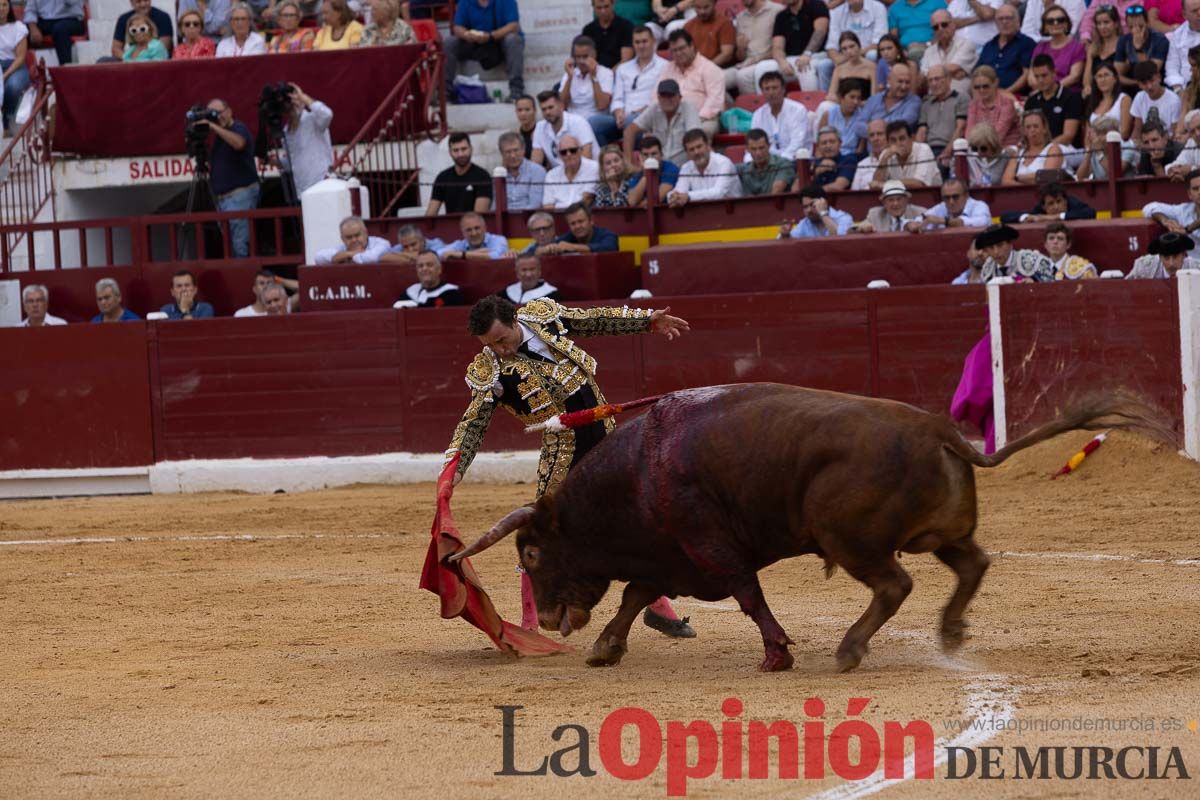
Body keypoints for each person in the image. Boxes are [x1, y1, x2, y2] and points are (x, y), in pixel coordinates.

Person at [442, 294, 693, 635]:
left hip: (606, 438)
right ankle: (530, 623)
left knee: (633, 518)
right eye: (490, 345)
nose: (500, 350)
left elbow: (595, 320)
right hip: (563, 452)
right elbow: (473, 422)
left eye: (501, 340)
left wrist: (647, 320)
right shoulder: (491, 371)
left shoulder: (543, 317)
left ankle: (657, 606)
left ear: (515, 321)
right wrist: (455, 465)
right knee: (543, 531)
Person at [205, 98, 260, 259]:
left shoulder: (238, 127)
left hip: (239, 196)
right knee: (231, 247)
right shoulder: (218, 138)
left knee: (240, 245)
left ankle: (245, 273)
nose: (217, 117)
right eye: (212, 115)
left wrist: (214, 127)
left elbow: (239, 143)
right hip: (224, 200)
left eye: (219, 112)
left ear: (229, 111)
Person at [443, 0, 524, 102]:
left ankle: (516, 90)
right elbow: (457, 27)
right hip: (474, 42)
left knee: (513, 40)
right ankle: (445, 92)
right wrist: (466, 35)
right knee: (449, 42)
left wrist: (491, 36)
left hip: (499, 41)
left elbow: (513, 26)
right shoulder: (465, 2)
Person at [659, 30, 725, 139]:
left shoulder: (710, 69)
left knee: (701, 132)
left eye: (682, 48)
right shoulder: (667, 69)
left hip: (703, 119)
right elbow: (656, 96)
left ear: (692, 46)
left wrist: (693, 121)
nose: (678, 53)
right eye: (674, 50)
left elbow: (714, 102)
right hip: (671, 119)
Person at [621, 78, 699, 165]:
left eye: (671, 96)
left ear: (679, 97)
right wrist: (628, 164)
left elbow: (694, 138)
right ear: (658, 98)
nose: (667, 99)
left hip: (682, 166)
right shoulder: (654, 108)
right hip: (657, 166)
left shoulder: (688, 108)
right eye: (663, 96)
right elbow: (629, 131)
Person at [759, 0, 829, 93]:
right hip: (791, 59)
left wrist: (807, 54)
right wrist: (782, 62)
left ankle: (812, 101)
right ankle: (767, 101)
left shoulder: (816, 5)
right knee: (763, 67)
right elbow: (777, 46)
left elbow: (820, 32)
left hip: (816, 55)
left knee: (804, 68)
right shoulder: (781, 16)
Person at [561, 35, 618, 146]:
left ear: (594, 55)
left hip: (597, 119)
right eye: (578, 57)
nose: (581, 61)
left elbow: (602, 105)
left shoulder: (606, 73)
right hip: (574, 120)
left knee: (590, 124)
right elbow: (562, 105)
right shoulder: (569, 74)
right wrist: (570, 78)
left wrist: (593, 76)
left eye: (585, 57)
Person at [612, 25, 668, 134]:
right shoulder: (623, 68)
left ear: (653, 42)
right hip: (623, 117)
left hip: (649, 116)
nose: (641, 46)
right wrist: (618, 113)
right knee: (596, 123)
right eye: (637, 42)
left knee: (631, 120)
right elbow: (617, 98)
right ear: (633, 44)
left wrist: (634, 114)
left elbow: (659, 99)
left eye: (644, 41)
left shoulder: (665, 66)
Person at [1024, 54, 1084, 157]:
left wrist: (1044, 149)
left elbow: (1068, 136)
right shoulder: (1031, 101)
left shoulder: (1071, 97)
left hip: (1066, 150)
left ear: (1054, 73)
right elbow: (1026, 132)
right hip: (1039, 151)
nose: (1040, 80)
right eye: (1037, 76)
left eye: (1044, 75)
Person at [281, 84, 333, 196]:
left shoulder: (313, 119)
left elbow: (327, 114)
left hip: (322, 185)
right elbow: (293, 164)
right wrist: (274, 162)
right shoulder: (285, 132)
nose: (293, 105)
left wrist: (302, 96)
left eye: (296, 100)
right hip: (303, 192)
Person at [667, 128, 739, 207]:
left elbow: (718, 193)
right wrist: (674, 197)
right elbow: (679, 191)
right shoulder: (686, 168)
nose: (696, 152)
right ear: (687, 153)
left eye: (699, 147)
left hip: (732, 210)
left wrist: (689, 196)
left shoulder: (724, 163)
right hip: (703, 211)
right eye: (691, 149)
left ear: (708, 146)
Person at [427, 132, 493, 215]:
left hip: (473, 223)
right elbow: (430, 215)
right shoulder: (442, 178)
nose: (460, 154)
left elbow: (479, 216)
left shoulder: (483, 176)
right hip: (450, 223)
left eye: (464, 149)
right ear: (450, 152)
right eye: (456, 150)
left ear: (471, 149)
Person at [751, 71, 812, 160]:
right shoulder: (758, 114)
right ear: (762, 92)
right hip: (767, 161)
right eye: (767, 89)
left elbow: (797, 143)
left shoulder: (798, 110)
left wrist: (779, 162)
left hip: (794, 160)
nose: (771, 93)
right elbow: (754, 142)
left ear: (783, 89)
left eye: (775, 88)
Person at [977, 2, 1035, 92]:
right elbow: (978, 72)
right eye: (1000, 19)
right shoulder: (989, 46)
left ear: (1018, 21)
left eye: (1009, 18)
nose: (1004, 22)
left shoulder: (1027, 43)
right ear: (996, 23)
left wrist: (1005, 93)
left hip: (1013, 95)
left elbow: (1026, 74)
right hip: (986, 94)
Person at [919, 8, 978, 97]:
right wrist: (951, 73)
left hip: (957, 98)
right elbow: (922, 79)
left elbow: (953, 67)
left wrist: (931, 76)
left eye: (944, 24)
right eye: (936, 27)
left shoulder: (966, 44)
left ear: (953, 25)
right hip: (934, 99)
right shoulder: (928, 52)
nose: (940, 29)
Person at [532, 90, 598, 168]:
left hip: (589, 171)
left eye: (551, 107)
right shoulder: (540, 127)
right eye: (544, 109)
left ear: (561, 106)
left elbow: (587, 157)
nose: (547, 112)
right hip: (560, 173)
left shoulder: (578, 122)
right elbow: (535, 163)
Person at [916, 64, 968, 161]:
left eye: (937, 79)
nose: (934, 84)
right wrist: (916, 155)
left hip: (951, 150)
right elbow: (922, 131)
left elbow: (960, 128)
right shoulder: (926, 104)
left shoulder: (961, 98)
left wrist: (947, 152)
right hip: (928, 150)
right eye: (930, 80)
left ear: (949, 79)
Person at [973, 223, 1056, 282]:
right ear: (986, 250)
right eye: (991, 248)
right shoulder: (987, 269)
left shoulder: (1032, 261)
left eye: (1000, 245)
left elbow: (1050, 287)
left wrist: (1034, 282)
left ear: (1010, 244)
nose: (996, 252)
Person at [1001, 109, 1064, 185]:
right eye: (1028, 127)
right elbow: (1006, 181)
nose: (1032, 130)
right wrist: (1024, 188)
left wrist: (1017, 178)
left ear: (1044, 129)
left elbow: (1046, 177)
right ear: (1024, 131)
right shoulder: (1018, 154)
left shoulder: (1053, 149)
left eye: (1036, 126)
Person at [872, 120, 941, 189]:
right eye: (893, 140)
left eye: (902, 139)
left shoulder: (923, 150)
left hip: (929, 195)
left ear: (912, 139)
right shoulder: (886, 154)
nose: (898, 144)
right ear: (888, 142)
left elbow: (919, 183)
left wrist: (886, 185)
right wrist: (884, 159)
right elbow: (875, 185)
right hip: (899, 195)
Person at [1116, 5, 1169, 93]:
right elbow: (1117, 74)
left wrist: (1138, 48)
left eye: (1140, 26)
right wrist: (1136, 83)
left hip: (1155, 85)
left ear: (1147, 23)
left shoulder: (1159, 40)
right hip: (1132, 86)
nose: (1135, 30)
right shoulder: (1123, 40)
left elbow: (1149, 73)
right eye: (1131, 27)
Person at [1031, 4, 1086, 89]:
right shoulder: (1040, 48)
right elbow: (1031, 76)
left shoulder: (1077, 47)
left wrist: (1051, 88)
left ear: (1066, 24)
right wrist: (1042, 89)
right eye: (1050, 21)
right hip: (1042, 91)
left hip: (1066, 92)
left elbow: (1075, 76)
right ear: (1045, 27)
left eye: (1060, 20)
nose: (1055, 23)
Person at [1144, 168, 1200, 248]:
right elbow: (1150, 207)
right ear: (1189, 194)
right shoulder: (1183, 210)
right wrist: (1165, 220)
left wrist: (1188, 229)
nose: (1199, 192)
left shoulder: (1187, 225)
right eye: (1195, 189)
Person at [543, 135, 601, 209]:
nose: (568, 154)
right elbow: (547, 205)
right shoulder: (551, 175)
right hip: (557, 214)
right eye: (563, 152)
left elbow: (587, 199)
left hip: (583, 213)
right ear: (559, 156)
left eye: (573, 150)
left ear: (581, 150)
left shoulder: (594, 167)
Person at [966, 65, 1018, 148]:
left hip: (1005, 149)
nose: (981, 90)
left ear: (996, 82)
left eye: (985, 86)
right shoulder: (974, 104)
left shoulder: (1007, 104)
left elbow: (998, 135)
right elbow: (969, 132)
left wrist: (976, 143)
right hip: (980, 148)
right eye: (977, 87)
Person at [1131, 59, 1182, 141]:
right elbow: (1137, 130)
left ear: (1159, 77)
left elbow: (1174, 133)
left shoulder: (1174, 100)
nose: (1149, 86)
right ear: (1139, 85)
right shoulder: (1139, 98)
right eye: (1144, 83)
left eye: (1152, 81)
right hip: (1146, 143)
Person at [538, 202, 619, 253]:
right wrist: (547, 249)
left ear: (591, 220)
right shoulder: (567, 238)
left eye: (581, 221)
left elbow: (609, 248)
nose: (577, 226)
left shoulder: (607, 235)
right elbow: (537, 251)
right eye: (573, 223)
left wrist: (573, 247)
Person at [817, 76, 868, 157]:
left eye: (858, 98)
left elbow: (860, 149)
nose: (856, 102)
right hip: (829, 156)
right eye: (852, 97)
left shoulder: (863, 118)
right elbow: (820, 144)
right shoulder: (828, 115)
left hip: (852, 158)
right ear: (841, 97)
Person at [23, 0, 85, 66]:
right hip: (46, 20)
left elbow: (72, 2)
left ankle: (65, 67)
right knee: (23, 30)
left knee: (60, 29)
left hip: (71, 19)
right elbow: (30, 10)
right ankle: (23, 67)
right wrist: (33, 28)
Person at [852, 179, 928, 233]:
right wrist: (862, 228)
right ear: (884, 203)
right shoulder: (875, 214)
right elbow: (853, 230)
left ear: (906, 200)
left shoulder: (920, 212)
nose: (895, 203)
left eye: (899, 199)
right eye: (891, 200)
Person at [999, 181, 1097, 222]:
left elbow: (1091, 213)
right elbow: (1005, 217)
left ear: (1065, 201)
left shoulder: (1073, 203)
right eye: (1051, 203)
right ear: (1044, 207)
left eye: (1059, 201)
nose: (1056, 207)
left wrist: (1055, 217)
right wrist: (1027, 217)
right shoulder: (1039, 210)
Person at [779, 185, 853, 238]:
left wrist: (823, 214)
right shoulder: (805, 223)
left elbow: (840, 240)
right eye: (805, 207)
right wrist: (785, 235)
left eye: (812, 205)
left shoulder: (843, 218)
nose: (809, 210)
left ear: (823, 202)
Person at [738, 128, 796, 195]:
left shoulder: (784, 164)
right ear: (747, 149)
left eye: (762, 148)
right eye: (753, 149)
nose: (758, 153)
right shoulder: (742, 169)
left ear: (769, 146)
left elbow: (776, 193)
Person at [497, 131, 546, 211]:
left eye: (516, 150)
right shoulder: (499, 174)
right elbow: (495, 205)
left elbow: (535, 204)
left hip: (529, 216)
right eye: (508, 152)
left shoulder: (537, 171)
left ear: (523, 149)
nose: (513, 155)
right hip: (505, 217)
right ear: (502, 154)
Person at [862, 61, 920, 129]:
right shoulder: (873, 100)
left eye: (907, 82)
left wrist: (872, 126)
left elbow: (903, 124)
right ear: (889, 80)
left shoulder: (913, 101)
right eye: (900, 81)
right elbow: (859, 125)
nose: (903, 86)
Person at [1086, 61, 1133, 142]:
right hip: (1095, 147)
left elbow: (1125, 133)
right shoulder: (1092, 103)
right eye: (1099, 76)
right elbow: (1087, 136)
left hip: (1117, 145)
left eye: (1106, 75)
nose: (1103, 80)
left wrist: (1102, 139)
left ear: (1115, 79)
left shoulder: (1124, 99)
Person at [315, 216, 392, 264]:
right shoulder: (342, 248)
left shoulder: (381, 243)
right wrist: (349, 253)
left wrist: (342, 256)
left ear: (366, 233)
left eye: (357, 235)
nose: (354, 240)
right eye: (349, 237)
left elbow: (371, 258)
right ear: (342, 239)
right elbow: (319, 257)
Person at [626, 134, 680, 202]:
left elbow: (656, 200)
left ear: (661, 154)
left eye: (654, 154)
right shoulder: (639, 174)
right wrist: (646, 175)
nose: (650, 158)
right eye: (645, 155)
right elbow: (631, 201)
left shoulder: (670, 169)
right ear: (640, 156)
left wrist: (639, 205)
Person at [920, 177, 992, 228]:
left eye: (955, 197)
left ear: (966, 195)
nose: (951, 202)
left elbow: (982, 223)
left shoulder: (979, 206)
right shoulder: (941, 207)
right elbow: (919, 220)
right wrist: (914, 224)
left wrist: (943, 221)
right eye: (946, 197)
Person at [0, 0, 28, 131]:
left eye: (4, 5)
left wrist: (4, 76)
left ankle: (7, 120)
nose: (1, 8)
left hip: (15, 66)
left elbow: (20, 58)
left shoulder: (18, 27)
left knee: (13, 86)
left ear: (9, 7)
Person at [825, 31, 876, 100]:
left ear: (859, 46)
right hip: (842, 104)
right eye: (844, 49)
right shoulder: (839, 69)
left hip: (865, 104)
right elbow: (831, 94)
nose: (849, 51)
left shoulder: (872, 67)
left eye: (852, 46)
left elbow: (875, 97)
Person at [1082, 5, 1121, 94]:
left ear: (1116, 24)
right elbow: (1086, 80)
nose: (1102, 27)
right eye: (1099, 23)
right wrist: (1087, 87)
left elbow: (1119, 75)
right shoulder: (1093, 47)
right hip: (1097, 92)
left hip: (1118, 91)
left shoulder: (1124, 43)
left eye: (1106, 22)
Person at [683, 0, 735, 67]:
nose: (702, 11)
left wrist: (705, 68)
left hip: (719, 69)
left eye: (706, 7)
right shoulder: (688, 26)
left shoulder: (724, 23)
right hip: (694, 68)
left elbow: (727, 54)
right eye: (698, 7)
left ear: (714, 4)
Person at [1127, 231, 1200, 278]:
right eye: (1166, 257)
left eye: (1175, 257)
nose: (1171, 263)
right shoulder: (1144, 267)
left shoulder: (1196, 268)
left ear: (1184, 255)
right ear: (1159, 256)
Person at [584, 0, 634, 68]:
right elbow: (588, 58)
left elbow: (626, 59)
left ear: (613, 5)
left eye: (606, 6)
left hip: (621, 72)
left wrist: (608, 73)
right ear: (593, 7)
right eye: (599, 8)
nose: (603, 11)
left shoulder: (626, 27)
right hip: (595, 71)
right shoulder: (588, 30)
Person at [441, 212, 511, 259]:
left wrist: (462, 255)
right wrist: (474, 253)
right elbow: (439, 255)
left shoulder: (498, 240)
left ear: (485, 228)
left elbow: (496, 256)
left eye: (477, 228)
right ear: (463, 232)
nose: (474, 233)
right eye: (469, 230)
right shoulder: (460, 244)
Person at [809, 126, 858, 190]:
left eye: (832, 142)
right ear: (818, 146)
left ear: (840, 143)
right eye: (824, 143)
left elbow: (839, 186)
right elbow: (797, 188)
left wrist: (813, 192)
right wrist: (817, 171)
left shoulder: (849, 160)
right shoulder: (813, 163)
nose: (828, 146)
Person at [1167, 0, 1200, 91]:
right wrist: (1178, 89)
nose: (1199, 13)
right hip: (1187, 90)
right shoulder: (1177, 35)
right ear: (1184, 14)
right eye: (1195, 11)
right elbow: (1172, 68)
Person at [381, 224, 447, 265]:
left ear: (422, 240)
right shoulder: (400, 246)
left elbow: (428, 257)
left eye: (413, 244)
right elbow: (383, 258)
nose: (410, 249)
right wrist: (409, 260)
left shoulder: (437, 244)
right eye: (405, 247)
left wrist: (402, 254)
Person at [850, 118, 887, 189]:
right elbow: (854, 192)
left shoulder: (898, 160)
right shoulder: (862, 164)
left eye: (880, 134)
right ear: (868, 140)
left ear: (888, 136)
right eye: (872, 135)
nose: (875, 139)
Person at [1168, 109, 1200, 177]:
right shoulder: (1191, 142)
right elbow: (1178, 163)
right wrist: (1173, 170)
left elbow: (1190, 169)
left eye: (1199, 128)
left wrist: (1191, 169)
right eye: (1192, 131)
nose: (1197, 134)